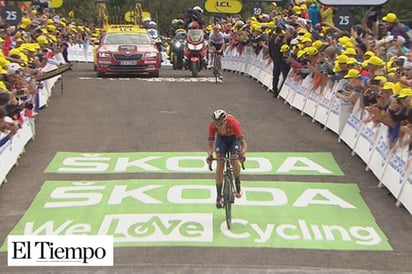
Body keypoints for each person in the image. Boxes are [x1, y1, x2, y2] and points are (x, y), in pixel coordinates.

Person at [206, 109, 247, 209]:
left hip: (234, 140)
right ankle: (219, 196)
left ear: (225, 121)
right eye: (216, 123)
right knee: (220, 163)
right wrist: (210, 155)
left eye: (220, 123)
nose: (218, 126)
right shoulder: (212, 125)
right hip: (222, 140)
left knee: (234, 159)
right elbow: (210, 145)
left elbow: (243, 144)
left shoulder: (234, 124)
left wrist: (242, 153)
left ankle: (237, 183)